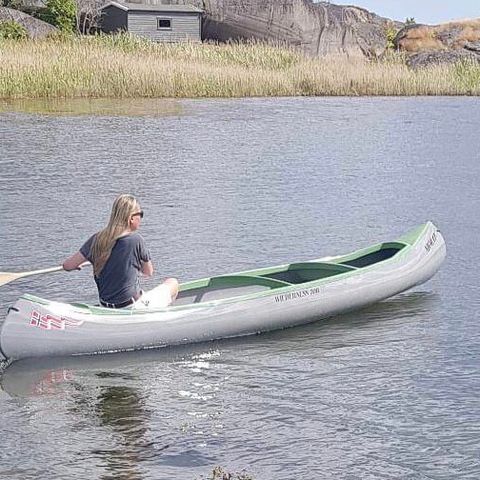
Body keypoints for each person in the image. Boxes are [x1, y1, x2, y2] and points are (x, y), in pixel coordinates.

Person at [63, 194, 178, 309]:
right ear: (131, 218)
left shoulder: (96, 239)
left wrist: (78, 265)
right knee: (172, 283)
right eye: (140, 214)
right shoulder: (136, 240)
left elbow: (67, 265)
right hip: (132, 306)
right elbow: (148, 272)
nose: (141, 218)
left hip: (105, 307)